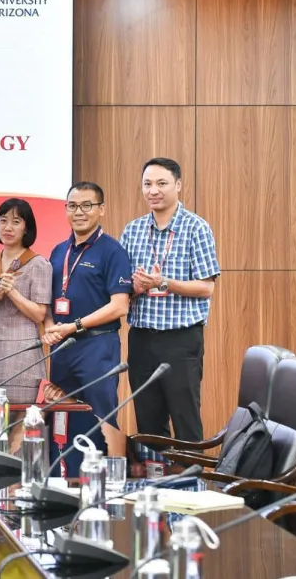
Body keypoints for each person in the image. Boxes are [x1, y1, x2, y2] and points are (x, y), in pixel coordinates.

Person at [120, 158, 219, 442]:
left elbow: (206, 288)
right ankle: (156, 484)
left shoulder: (196, 228)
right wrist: (136, 287)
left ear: (177, 185)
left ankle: (193, 484)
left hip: (181, 339)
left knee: (185, 419)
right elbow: (121, 287)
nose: (154, 190)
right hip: (141, 338)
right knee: (149, 423)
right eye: (147, 184)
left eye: (161, 183)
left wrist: (164, 282)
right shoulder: (132, 230)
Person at [42, 181, 132, 474]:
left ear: (101, 209)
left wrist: (74, 326)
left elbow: (119, 306)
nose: (78, 212)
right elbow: (50, 302)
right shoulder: (58, 251)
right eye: (72, 206)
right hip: (62, 349)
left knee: (101, 418)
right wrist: (51, 326)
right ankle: (62, 482)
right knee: (60, 416)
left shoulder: (112, 251)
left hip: (97, 347)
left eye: (86, 205)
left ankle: (107, 489)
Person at [0, 199, 52, 405]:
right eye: (3, 220)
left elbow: (39, 314)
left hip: (21, 349)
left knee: (18, 416)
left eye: (16, 222)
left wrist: (13, 293)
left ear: (26, 228)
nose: (8, 227)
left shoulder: (39, 264)